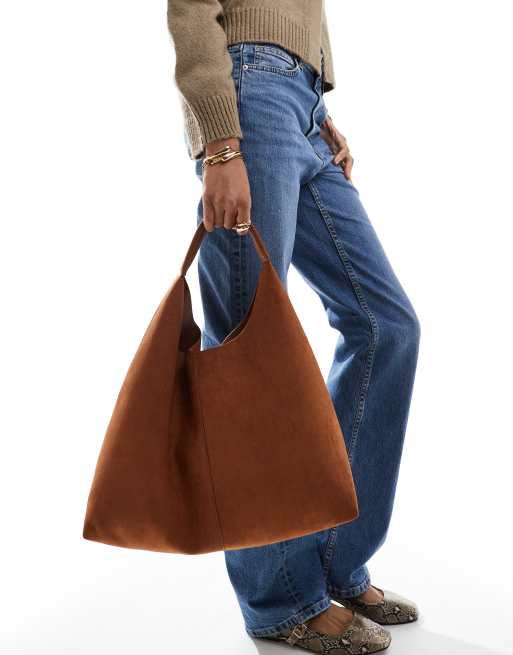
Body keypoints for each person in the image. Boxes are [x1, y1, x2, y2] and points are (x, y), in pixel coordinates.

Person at [167, 1, 421, 652]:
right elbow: (192, 10)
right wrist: (221, 143)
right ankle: (279, 597)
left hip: (303, 109)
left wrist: (317, 106)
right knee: (252, 351)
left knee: (386, 325)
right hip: (246, 103)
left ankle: (334, 556)